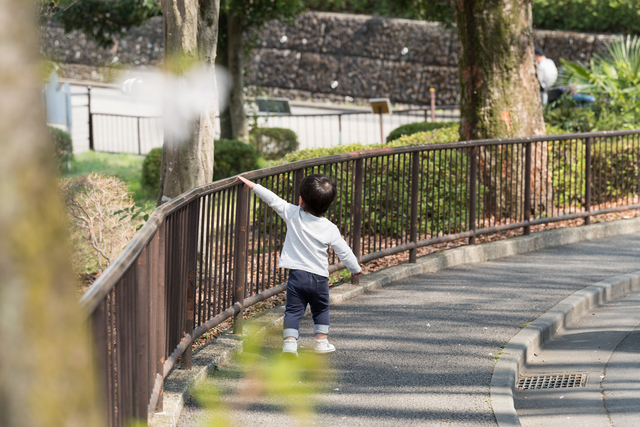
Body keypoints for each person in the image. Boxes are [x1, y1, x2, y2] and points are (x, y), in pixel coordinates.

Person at [236, 174, 362, 356]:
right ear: (328, 204)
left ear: (301, 200)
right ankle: (321, 342)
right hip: (319, 278)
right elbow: (344, 252)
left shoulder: (293, 213)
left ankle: (289, 345)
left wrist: (253, 185)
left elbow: (273, 200)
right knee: (321, 309)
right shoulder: (330, 228)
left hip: (297, 277)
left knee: (293, 311)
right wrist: (355, 269)